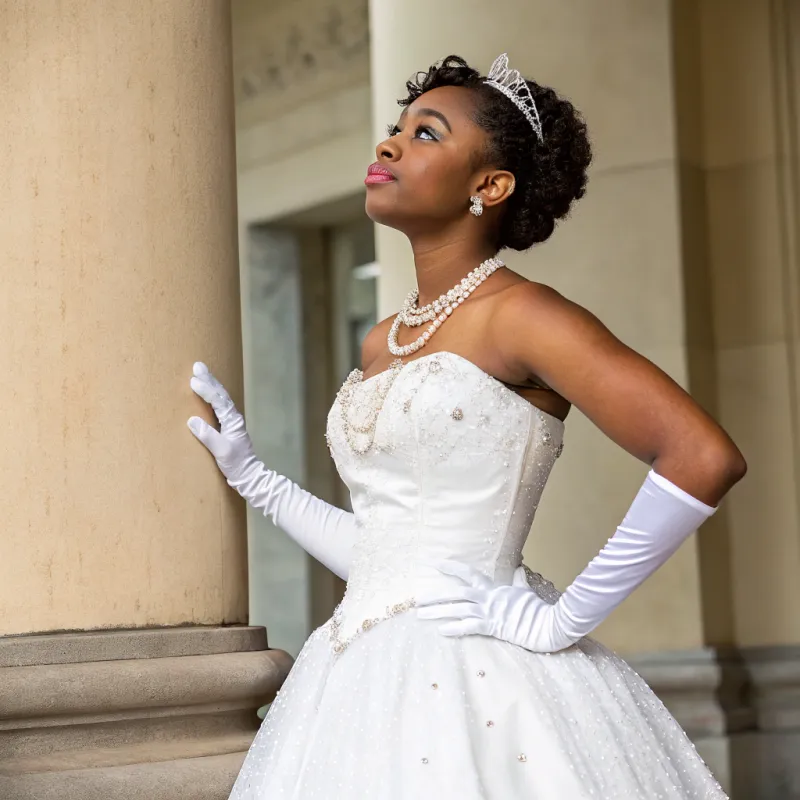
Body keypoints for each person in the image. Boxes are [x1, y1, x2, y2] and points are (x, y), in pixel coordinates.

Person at [188, 54, 745, 799]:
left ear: (490, 185)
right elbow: (390, 555)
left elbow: (702, 455)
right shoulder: (381, 341)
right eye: (395, 129)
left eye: (426, 134)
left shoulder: (526, 317)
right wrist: (257, 480)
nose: (388, 145)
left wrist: (561, 621)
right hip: (354, 680)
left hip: (487, 674)